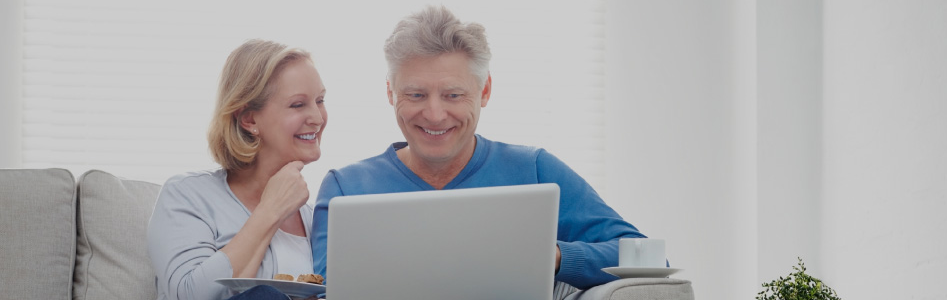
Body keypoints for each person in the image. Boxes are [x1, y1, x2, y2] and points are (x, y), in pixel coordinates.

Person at [310, 5, 647, 291]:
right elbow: (324, 290)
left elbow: (645, 255)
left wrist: (553, 255)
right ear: (390, 93)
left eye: (453, 95)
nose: (435, 114)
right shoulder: (346, 188)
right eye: (415, 95)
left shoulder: (534, 170)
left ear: (484, 90)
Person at [148, 39, 328, 300]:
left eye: (320, 100)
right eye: (298, 105)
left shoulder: (315, 220)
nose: (318, 118)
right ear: (249, 119)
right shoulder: (188, 195)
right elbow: (187, 296)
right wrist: (271, 210)